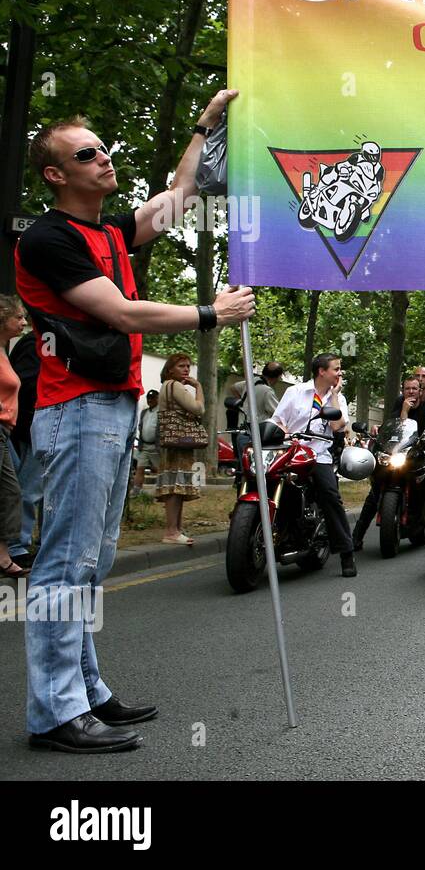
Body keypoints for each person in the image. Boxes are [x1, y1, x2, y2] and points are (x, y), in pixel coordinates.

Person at [17, 89, 255, 753]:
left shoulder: (109, 231)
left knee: (91, 561)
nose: (105, 158)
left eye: (104, 148)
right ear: (56, 175)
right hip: (75, 408)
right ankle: (54, 712)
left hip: (109, 409)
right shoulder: (47, 239)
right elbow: (120, 312)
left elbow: (177, 196)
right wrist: (211, 314)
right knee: (65, 563)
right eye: (86, 153)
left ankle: (86, 692)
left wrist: (205, 126)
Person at [271, 353, 353, 574]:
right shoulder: (295, 392)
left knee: (331, 495)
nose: (339, 373)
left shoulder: (339, 399)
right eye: (336, 369)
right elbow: (277, 420)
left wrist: (335, 395)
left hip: (318, 455)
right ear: (322, 371)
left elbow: (337, 427)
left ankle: (347, 553)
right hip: (291, 452)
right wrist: (286, 434)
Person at [353, 374, 425, 561]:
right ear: (403, 390)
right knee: (376, 488)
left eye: (414, 388)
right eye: (407, 388)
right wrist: (404, 410)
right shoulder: (400, 403)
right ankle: (356, 536)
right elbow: (395, 428)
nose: (411, 392)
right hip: (399, 454)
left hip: (422, 452)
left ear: (421, 390)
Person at [155, 354, 205, 544]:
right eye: (181, 366)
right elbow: (198, 409)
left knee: (175, 485)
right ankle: (172, 531)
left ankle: (176, 529)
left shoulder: (166, 386)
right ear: (170, 369)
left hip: (171, 441)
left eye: (188, 366)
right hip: (178, 442)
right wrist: (198, 387)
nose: (186, 369)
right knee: (176, 486)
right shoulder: (175, 386)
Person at [0, 296, 30, 578]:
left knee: (11, 492)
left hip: (6, 431)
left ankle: (3, 556)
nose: (23, 322)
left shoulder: (5, 350)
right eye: (18, 317)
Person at [230, 361, 283, 428]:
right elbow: (278, 414)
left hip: (242, 426)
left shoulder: (252, 381)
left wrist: (242, 402)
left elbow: (233, 388)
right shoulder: (267, 391)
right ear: (278, 377)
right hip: (257, 431)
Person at [130, 389, 160, 497]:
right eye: (148, 398)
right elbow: (141, 426)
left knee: (158, 469)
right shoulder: (144, 412)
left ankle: (161, 490)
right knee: (140, 467)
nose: (150, 400)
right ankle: (136, 490)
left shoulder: (161, 412)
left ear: (158, 399)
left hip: (156, 446)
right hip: (144, 446)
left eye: (153, 398)